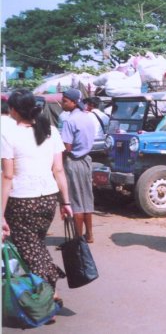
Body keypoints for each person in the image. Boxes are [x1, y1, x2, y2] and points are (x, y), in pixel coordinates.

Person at [1, 89, 74, 308]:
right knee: (36, 245)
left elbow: (7, 175)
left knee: (30, 249)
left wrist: (0, 213)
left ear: (13, 109)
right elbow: (59, 170)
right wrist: (66, 202)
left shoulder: (8, 134)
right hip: (48, 200)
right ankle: (47, 289)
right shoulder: (50, 130)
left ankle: (49, 290)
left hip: (22, 200)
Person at [60, 88, 96, 242]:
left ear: (74, 102)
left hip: (73, 162)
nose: (62, 103)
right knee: (87, 199)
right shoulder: (88, 117)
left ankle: (78, 239)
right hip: (86, 160)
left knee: (75, 201)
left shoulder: (69, 121)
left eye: (65, 101)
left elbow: (66, 147)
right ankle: (89, 235)